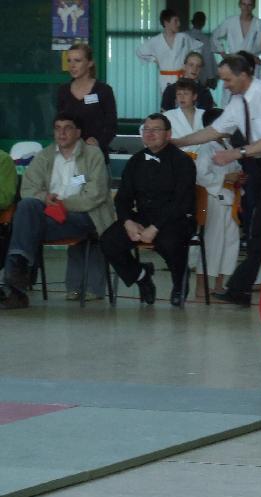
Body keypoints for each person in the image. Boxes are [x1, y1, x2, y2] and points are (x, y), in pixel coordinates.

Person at [172, 54, 261, 307]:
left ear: (243, 75)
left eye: (228, 80)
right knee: (260, 230)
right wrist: (180, 142)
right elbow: (215, 130)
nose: (225, 85)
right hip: (258, 164)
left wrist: (234, 153)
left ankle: (242, 286)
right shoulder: (238, 101)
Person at [0, 114, 115, 309]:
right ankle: (17, 274)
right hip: (49, 215)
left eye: (67, 128)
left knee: (24, 226)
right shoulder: (44, 156)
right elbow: (28, 189)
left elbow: (95, 195)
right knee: (27, 205)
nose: (61, 133)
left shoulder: (93, 155)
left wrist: (62, 204)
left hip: (84, 216)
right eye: (57, 128)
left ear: (78, 132)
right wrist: (45, 198)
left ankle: (15, 280)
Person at [100, 114, 197, 307]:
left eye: (156, 130)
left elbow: (181, 202)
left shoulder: (182, 161)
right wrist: (128, 221)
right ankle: (141, 276)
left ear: (168, 134)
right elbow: (123, 197)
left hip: (175, 219)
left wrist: (155, 227)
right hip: (143, 217)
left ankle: (180, 282)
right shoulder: (136, 161)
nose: (150, 134)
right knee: (108, 241)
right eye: (146, 130)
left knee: (168, 241)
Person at [56, 42, 118, 301]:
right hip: (71, 162)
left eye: (78, 60)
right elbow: (60, 125)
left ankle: (94, 286)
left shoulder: (102, 91)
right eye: (69, 61)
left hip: (95, 162)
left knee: (96, 220)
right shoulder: (63, 91)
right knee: (73, 215)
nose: (73, 65)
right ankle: (74, 284)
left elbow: (111, 124)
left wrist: (97, 142)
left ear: (90, 63)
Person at [194, 108, 245, 299]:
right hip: (212, 199)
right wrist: (225, 178)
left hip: (231, 198)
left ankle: (219, 285)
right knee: (212, 243)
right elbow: (201, 176)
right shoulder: (206, 147)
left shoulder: (229, 146)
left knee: (229, 244)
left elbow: (237, 169)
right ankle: (201, 286)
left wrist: (239, 177)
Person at [136, 9, 203, 93]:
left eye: (179, 21)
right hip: (165, 79)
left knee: (184, 99)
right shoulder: (156, 41)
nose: (179, 24)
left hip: (183, 78)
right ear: (166, 22)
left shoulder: (184, 37)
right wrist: (154, 60)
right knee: (167, 99)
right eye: (175, 21)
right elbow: (140, 52)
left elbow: (198, 47)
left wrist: (190, 62)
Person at [163, 78, 205, 154]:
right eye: (179, 94)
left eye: (186, 93)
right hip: (177, 158)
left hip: (204, 158)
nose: (181, 97)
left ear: (194, 96)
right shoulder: (167, 116)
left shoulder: (205, 115)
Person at [187, 12, 217, 88]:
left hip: (186, 74)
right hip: (200, 75)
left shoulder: (184, 35)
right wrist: (211, 77)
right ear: (203, 23)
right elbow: (208, 59)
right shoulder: (205, 39)